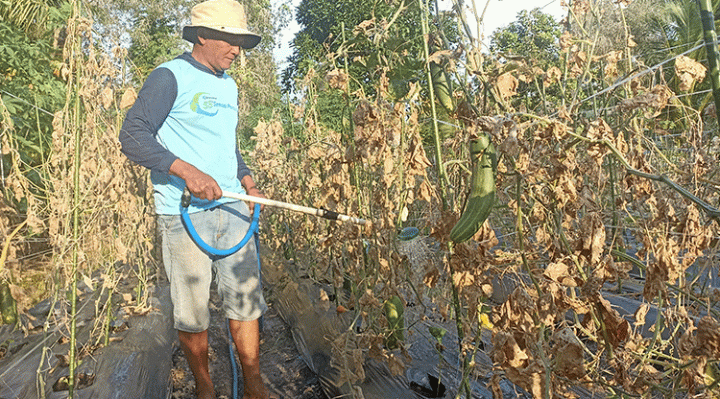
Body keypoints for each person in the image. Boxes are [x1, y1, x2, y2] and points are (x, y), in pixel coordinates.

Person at [118, 0, 271, 398]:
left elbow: (228, 149)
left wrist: (249, 183)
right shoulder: (170, 76)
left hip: (234, 209)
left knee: (246, 301)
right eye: (230, 40)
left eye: (241, 42)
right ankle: (205, 386)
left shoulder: (229, 85)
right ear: (203, 36)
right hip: (184, 215)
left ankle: (253, 381)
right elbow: (133, 135)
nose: (238, 49)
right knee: (193, 311)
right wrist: (187, 172)